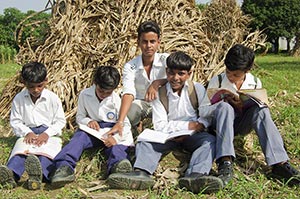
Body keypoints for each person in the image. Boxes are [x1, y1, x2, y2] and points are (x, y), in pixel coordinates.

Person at [107, 51, 223, 194]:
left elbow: (206, 114)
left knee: (209, 141)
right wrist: (186, 126)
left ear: (189, 73)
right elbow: (160, 124)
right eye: (171, 73)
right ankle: (141, 173)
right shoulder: (160, 93)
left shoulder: (197, 89)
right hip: (168, 135)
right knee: (145, 140)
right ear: (166, 71)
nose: (175, 78)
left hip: (193, 135)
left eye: (181, 74)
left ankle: (196, 175)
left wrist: (198, 125)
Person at [199, 44, 300, 186]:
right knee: (225, 107)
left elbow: (260, 106)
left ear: (247, 70)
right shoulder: (218, 80)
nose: (231, 77)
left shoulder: (254, 83)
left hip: (240, 124)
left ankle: (279, 164)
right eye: (228, 72)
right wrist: (221, 104)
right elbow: (203, 111)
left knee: (262, 110)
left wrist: (242, 104)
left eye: (236, 75)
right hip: (220, 125)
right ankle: (225, 161)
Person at [50, 66, 134, 187]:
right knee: (78, 139)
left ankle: (119, 167)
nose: (104, 95)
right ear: (95, 83)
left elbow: (125, 124)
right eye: (101, 91)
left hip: (112, 130)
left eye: (108, 92)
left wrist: (115, 139)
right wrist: (88, 121)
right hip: (93, 130)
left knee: (117, 148)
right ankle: (64, 167)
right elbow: (79, 117)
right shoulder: (85, 95)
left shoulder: (117, 99)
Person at [0, 62, 66, 189]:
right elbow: (15, 121)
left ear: (46, 81)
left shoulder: (53, 98)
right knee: (20, 153)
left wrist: (47, 134)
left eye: (39, 86)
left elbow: (60, 121)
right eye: (31, 87)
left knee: (45, 154)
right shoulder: (19, 99)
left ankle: (38, 176)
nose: (36, 90)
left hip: (48, 133)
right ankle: (11, 175)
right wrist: (27, 132)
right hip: (28, 131)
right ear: (24, 83)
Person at [107, 20, 169, 137]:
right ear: (138, 43)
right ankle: (135, 128)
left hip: (164, 103)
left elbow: (181, 77)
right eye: (145, 42)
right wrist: (120, 121)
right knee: (130, 112)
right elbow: (129, 93)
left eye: (152, 41)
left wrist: (157, 83)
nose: (148, 46)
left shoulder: (166, 60)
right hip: (142, 103)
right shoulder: (130, 66)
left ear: (158, 43)